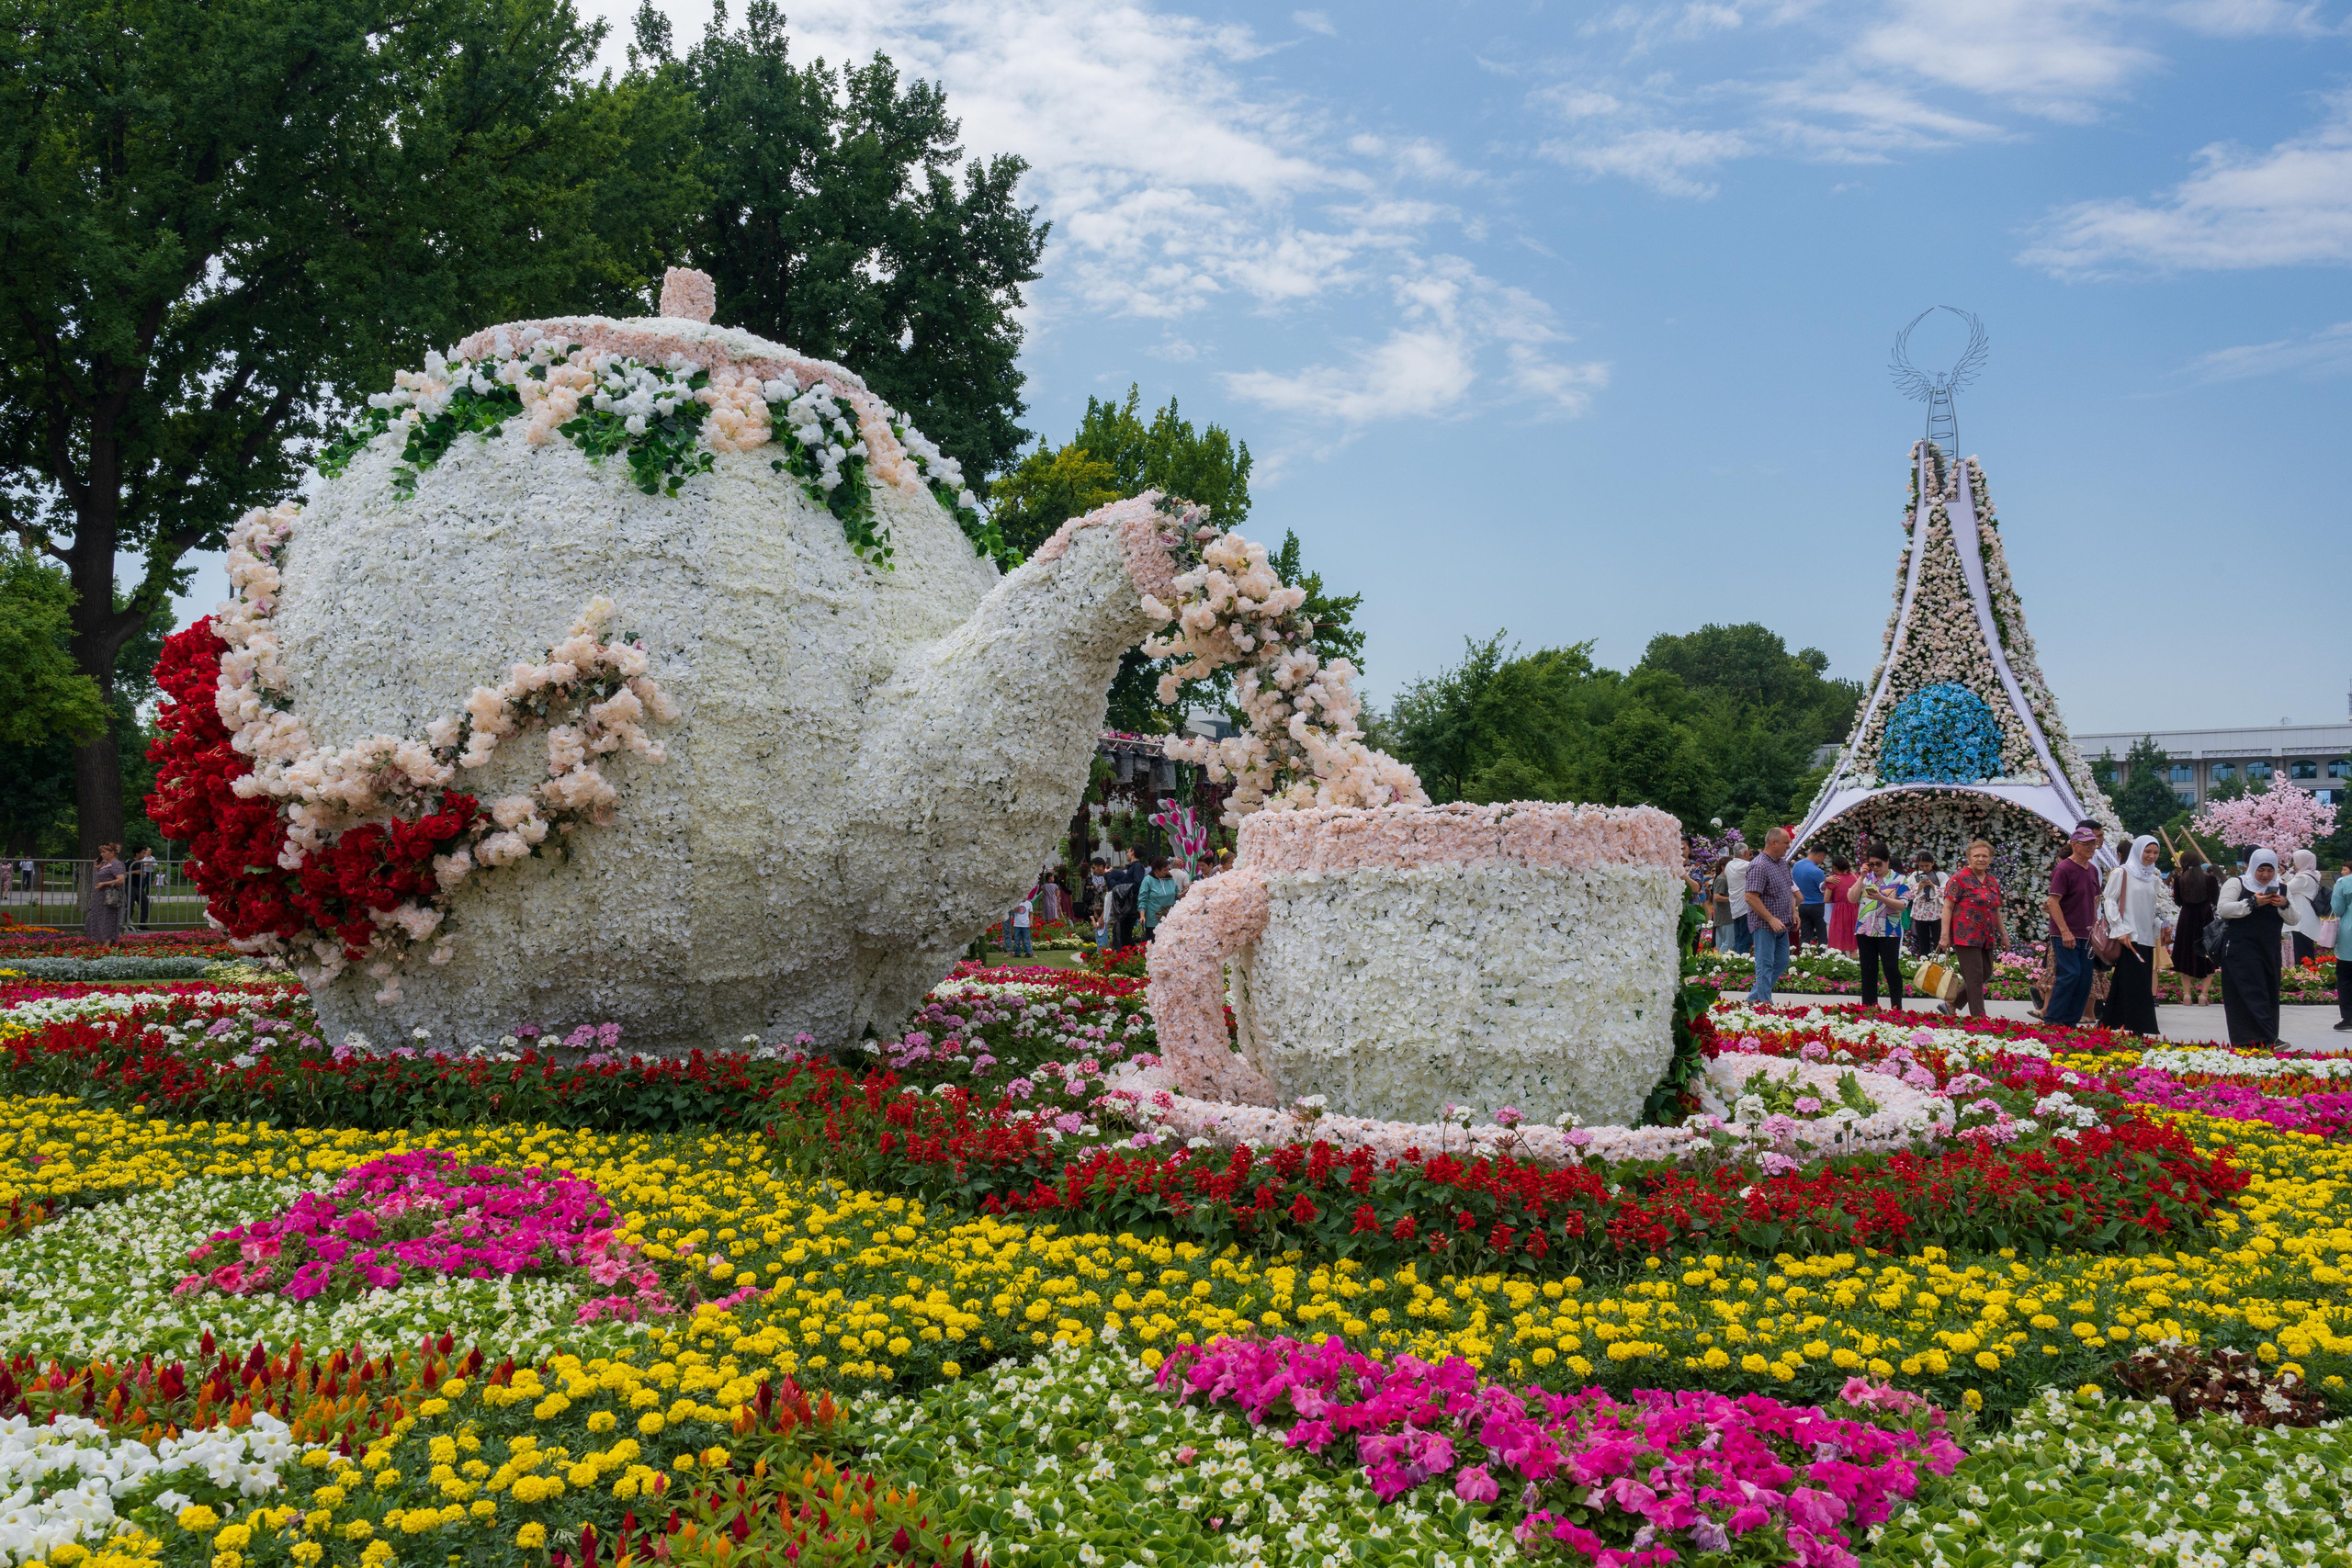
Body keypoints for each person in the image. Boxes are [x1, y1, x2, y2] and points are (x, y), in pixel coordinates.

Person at [2217, 848, 2301, 1046]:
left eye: (2270, 870)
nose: (2265, 875)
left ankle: (2258, 1042)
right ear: (2252, 867)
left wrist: (2283, 904)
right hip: (2240, 950)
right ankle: (2269, 1038)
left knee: (2267, 993)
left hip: (2268, 950)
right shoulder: (2237, 883)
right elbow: (2223, 909)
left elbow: (2295, 919)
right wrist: (2253, 903)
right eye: (2261, 870)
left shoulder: (2282, 889)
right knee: (2249, 993)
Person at [2097, 834, 2175, 1037]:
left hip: (2146, 937)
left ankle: (2112, 1023)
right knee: (2134, 981)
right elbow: (2110, 901)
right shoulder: (2122, 873)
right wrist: (2120, 929)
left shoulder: (2153, 879)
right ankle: (2136, 1026)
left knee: (2131, 980)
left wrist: (2161, 926)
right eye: (2147, 851)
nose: (2151, 856)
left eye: (2155, 852)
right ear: (2138, 851)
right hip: (2129, 936)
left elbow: (2149, 909)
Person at [2042, 824, 2105, 1029]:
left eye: (2093, 843)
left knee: (2084, 980)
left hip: (2086, 935)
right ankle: (2053, 1020)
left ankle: (2069, 1023)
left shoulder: (2093, 870)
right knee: (2070, 975)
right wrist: (2065, 931)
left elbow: (2095, 902)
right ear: (2074, 845)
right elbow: (2053, 902)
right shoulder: (2064, 869)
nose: (2091, 847)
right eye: (2086, 844)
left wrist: (2096, 931)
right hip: (2066, 934)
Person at [1939, 838, 2003, 1018]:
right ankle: (1979, 1018)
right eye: (1976, 856)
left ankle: (1951, 1005)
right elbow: (1947, 907)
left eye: (1985, 856)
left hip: (1987, 936)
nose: (1981, 859)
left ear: (1990, 858)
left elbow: (1996, 909)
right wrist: (1944, 935)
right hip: (1965, 935)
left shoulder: (1992, 881)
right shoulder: (1959, 878)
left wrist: (2003, 934)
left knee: (1986, 972)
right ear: (1969, 857)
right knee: (1974, 977)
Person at [1742, 828, 1799, 1004]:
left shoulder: (1782, 863)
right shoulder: (1759, 865)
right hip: (1765, 925)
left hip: (1782, 924)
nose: (1788, 847)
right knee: (1764, 965)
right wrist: (1770, 919)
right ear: (1773, 843)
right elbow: (1750, 897)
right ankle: (1765, 1003)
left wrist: (1794, 911)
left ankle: (1753, 998)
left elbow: (1788, 889)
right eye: (1786, 843)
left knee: (1782, 962)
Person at [1849, 845, 1909, 1010]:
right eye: (1871, 864)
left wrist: (1881, 897)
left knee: (1891, 969)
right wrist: (1861, 877)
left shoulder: (1900, 880)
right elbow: (1851, 898)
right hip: (1865, 929)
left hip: (1889, 929)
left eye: (1879, 864)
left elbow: (1902, 905)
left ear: (1887, 861)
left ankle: (1896, 1007)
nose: (1875, 868)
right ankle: (1869, 1007)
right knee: (1868, 970)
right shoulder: (1866, 878)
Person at [2169, 844, 2222, 1007]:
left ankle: (2186, 995)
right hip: (2206, 919)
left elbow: (2178, 902)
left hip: (2186, 920)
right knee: (2208, 955)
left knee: (2185, 955)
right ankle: (2203, 995)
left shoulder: (2179, 880)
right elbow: (2215, 900)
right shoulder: (2210, 880)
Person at [2288, 850, 2326, 966]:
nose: (2294, 863)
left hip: (2302, 920)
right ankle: (2309, 977)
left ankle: (2304, 977)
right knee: (2306, 950)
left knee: (2302, 953)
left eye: (2296, 860)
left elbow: (2285, 888)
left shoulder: (2303, 878)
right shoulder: (2313, 875)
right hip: (2308, 918)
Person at [85, 842, 127, 945]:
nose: (102, 854)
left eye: (104, 852)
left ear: (112, 853)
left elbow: (120, 880)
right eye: (101, 852)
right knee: (97, 919)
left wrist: (104, 884)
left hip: (109, 898)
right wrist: (97, 868)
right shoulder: (105, 864)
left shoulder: (116, 864)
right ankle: (99, 943)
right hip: (99, 898)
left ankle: (106, 944)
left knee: (107, 920)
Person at [1108, 848, 1147, 949]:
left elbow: (1137, 883)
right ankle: (1128, 954)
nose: (1127, 854)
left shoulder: (1137, 866)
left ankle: (1130, 954)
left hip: (1130, 905)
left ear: (1133, 852)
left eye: (1128, 851)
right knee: (1123, 933)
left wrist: (1126, 891)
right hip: (1128, 904)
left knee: (1125, 933)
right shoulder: (1133, 867)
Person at [1907, 852, 1944, 956]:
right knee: (1923, 941)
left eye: (1927, 866)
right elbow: (1908, 892)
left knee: (1939, 940)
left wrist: (1932, 886)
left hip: (1937, 912)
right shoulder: (1915, 875)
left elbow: (1946, 892)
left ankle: (1940, 962)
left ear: (1933, 863)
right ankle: (1925, 962)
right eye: (1921, 866)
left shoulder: (1941, 875)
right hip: (1920, 912)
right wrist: (1918, 887)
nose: (1924, 868)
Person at [1792, 846, 1828, 952]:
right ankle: (1824, 958)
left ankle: (1804, 957)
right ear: (1820, 855)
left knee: (1805, 935)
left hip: (1802, 905)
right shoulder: (1817, 871)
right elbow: (1823, 892)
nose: (1822, 861)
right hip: (1818, 905)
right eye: (1823, 858)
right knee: (1822, 935)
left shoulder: (1796, 866)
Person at [1137, 856, 1182, 939]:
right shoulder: (1148, 880)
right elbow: (1142, 899)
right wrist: (1142, 916)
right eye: (1165, 870)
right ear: (1157, 870)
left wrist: (1187, 891)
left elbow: (1177, 894)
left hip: (1169, 919)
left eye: (1168, 869)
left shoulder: (1170, 879)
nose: (1167, 872)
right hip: (1153, 921)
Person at [2332, 856, 2351, 1034]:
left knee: (2346, 976)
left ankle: (2348, 1017)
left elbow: (2337, 909)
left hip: (2349, 933)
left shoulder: (2344, 882)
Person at [1825, 857, 1860, 953]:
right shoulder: (1856, 877)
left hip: (1839, 912)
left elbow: (1826, 899)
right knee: (1853, 942)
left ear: (1834, 868)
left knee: (1838, 940)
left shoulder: (1834, 881)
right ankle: (1855, 965)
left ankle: (1841, 963)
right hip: (1854, 910)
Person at [1724, 843, 1754, 955]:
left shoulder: (1729, 865)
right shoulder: (1747, 866)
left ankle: (1735, 962)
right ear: (1746, 853)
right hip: (1746, 907)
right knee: (1745, 941)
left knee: (1738, 939)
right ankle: (1741, 963)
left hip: (1734, 907)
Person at [1708, 856, 1735, 952]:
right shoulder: (1722, 879)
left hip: (1722, 916)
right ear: (1723, 867)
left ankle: (1719, 961)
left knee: (1721, 942)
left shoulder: (1721, 878)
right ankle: (1723, 961)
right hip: (1725, 916)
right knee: (1728, 942)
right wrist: (1732, 899)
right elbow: (1717, 897)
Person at [129, 846, 157, 930]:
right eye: (143, 853)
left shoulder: (140, 863)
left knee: (146, 904)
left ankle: (142, 924)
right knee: (130, 906)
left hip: (139, 887)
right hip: (130, 886)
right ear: (137, 854)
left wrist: (142, 873)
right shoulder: (130, 862)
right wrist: (134, 872)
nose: (144, 855)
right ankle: (128, 924)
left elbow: (140, 872)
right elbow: (123, 873)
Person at [1007, 891, 1035, 958]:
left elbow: (1031, 914)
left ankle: (1028, 953)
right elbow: (1014, 911)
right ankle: (1017, 953)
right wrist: (1018, 904)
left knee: (1026, 940)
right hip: (1017, 925)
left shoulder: (1029, 904)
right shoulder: (1017, 903)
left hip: (1025, 925)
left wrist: (1031, 922)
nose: (1024, 898)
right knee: (1017, 940)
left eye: (1025, 896)